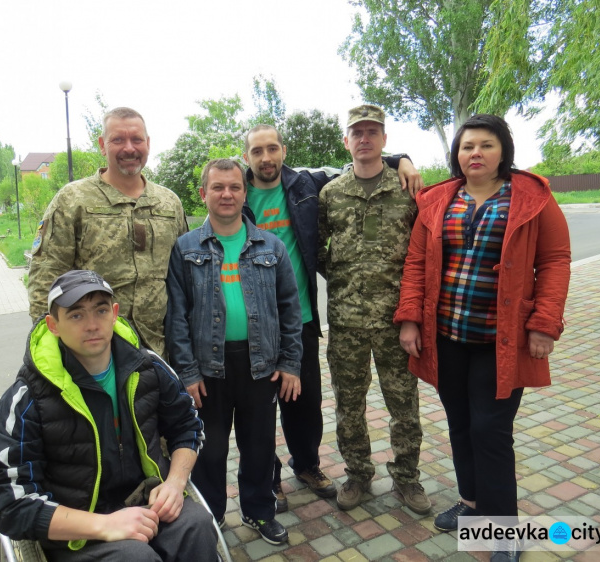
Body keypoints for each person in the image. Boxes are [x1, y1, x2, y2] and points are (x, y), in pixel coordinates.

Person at [394, 114, 571, 561]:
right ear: (457, 153)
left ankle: (503, 531)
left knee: (491, 430)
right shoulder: (438, 200)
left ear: (503, 151)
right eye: (467, 145)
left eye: (486, 145)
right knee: (460, 424)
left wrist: (544, 324)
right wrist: (410, 320)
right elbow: (416, 262)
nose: (475, 152)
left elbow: (555, 261)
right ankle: (472, 505)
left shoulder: (532, 198)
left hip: (502, 340)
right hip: (449, 336)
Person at [242, 123, 424, 511]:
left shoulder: (309, 186)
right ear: (247, 157)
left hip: (301, 316)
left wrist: (401, 159)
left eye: (272, 148)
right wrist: (342, 276)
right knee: (259, 410)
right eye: (257, 151)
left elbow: (363, 161)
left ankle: (309, 465)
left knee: (306, 403)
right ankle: (270, 479)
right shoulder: (236, 191)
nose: (266, 157)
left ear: (284, 151)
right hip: (253, 319)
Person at [0, 270, 216, 562]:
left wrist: (175, 483)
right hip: (76, 529)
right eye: (76, 315)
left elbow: (188, 427)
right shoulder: (27, 398)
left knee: (196, 526)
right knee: (135, 558)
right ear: (53, 325)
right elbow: (11, 505)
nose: (92, 325)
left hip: (147, 502)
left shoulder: (149, 369)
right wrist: (104, 525)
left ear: (115, 314)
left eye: (101, 310)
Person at [165, 158, 303, 546]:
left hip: (261, 364)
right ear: (203, 193)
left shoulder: (270, 246)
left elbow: (290, 309)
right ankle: (211, 517)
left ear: (245, 193)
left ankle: (259, 511)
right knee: (208, 451)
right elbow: (177, 317)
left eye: (234, 187)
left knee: (259, 445)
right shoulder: (186, 247)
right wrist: (187, 373)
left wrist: (291, 363)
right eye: (218, 187)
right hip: (207, 368)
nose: (227, 194)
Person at [318, 104, 430, 514]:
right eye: (357, 133)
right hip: (346, 322)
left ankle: (407, 478)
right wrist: (345, 281)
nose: (364, 139)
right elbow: (317, 248)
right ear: (346, 141)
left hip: (396, 321)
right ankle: (358, 474)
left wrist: (413, 312)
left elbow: (424, 252)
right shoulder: (330, 194)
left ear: (385, 140)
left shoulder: (407, 189)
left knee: (404, 404)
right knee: (349, 406)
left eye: (372, 132)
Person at [27, 107, 188, 356]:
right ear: (103, 145)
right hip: (94, 353)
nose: (129, 148)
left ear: (148, 143)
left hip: (159, 349)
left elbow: (183, 280)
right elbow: (45, 278)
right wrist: (50, 347)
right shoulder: (73, 200)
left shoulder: (169, 203)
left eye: (136, 139)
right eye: (118, 140)